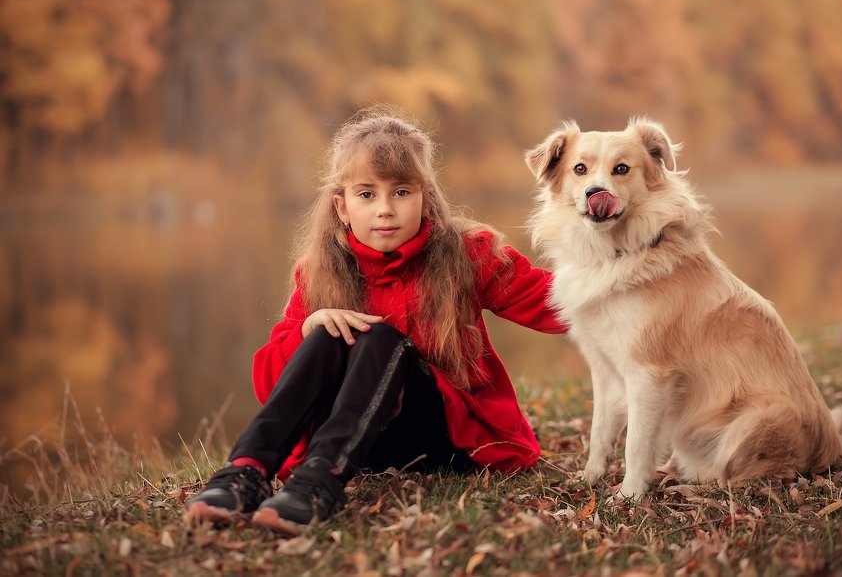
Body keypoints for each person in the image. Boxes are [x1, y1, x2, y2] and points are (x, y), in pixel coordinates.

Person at [184, 109, 566, 534]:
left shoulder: (468, 253)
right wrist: (309, 327)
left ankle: (319, 484)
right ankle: (245, 471)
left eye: (401, 191)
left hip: (442, 438)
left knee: (382, 338)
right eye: (366, 194)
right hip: (361, 443)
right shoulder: (319, 272)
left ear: (425, 197)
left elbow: (560, 302)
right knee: (326, 328)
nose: (385, 209)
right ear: (341, 207)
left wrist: (638, 263)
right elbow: (270, 382)